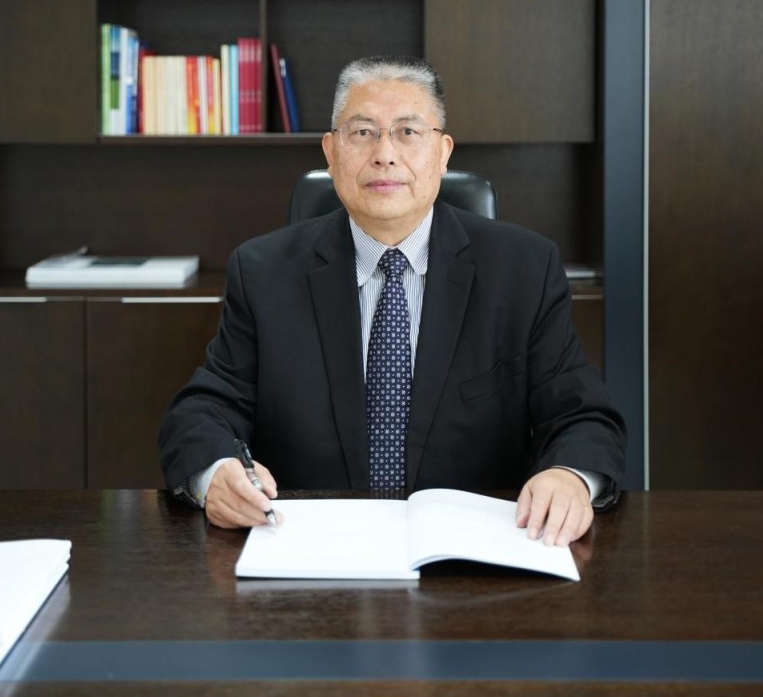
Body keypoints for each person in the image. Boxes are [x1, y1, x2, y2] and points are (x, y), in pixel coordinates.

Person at [160, 56, 626, 545]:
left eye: (408, 132)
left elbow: (581, 415)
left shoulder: (524, 270)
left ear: (442, 153)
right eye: (362, 133)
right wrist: (216, 472)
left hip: (473, 554)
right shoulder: (264, 272)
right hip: (312, 550)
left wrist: (570, 476)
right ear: (331, 152)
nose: (384, 154)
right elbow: (202, 410)